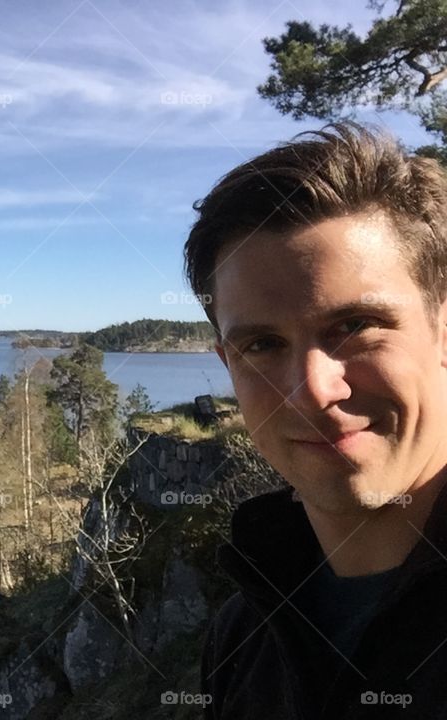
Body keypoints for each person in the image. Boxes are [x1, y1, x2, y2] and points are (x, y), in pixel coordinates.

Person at [185, 121, 447, 719]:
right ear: (228, 364)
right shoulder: (244, 635)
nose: (310, 394)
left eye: (354, 327)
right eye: (262, 345)